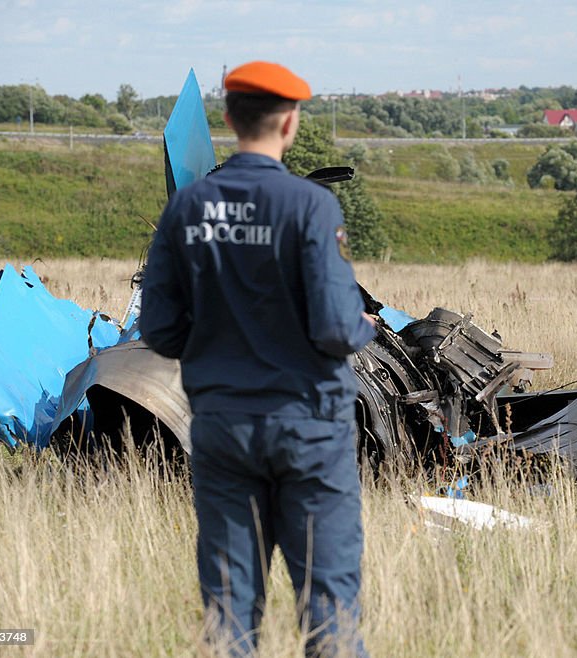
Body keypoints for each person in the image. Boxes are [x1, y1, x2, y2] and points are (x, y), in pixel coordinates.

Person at [140, 61, 376, 656]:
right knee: (329, 606)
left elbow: (160, 332)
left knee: (228, 609)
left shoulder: (186, 209)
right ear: (290, 122)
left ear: (227, 118)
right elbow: (333, 326)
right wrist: (363, 325)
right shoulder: (311, 206)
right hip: (310, 431)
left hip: (222, 430)